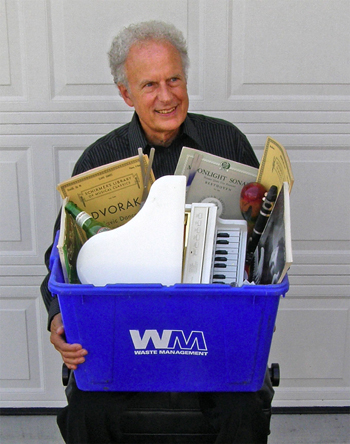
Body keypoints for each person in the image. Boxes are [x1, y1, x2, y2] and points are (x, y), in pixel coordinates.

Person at [41, 20, 274, 444]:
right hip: (128, 335)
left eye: (174, 79)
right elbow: (61, 255)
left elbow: (261, 243)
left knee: (244, 411)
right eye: (149, 85)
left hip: (211, 332)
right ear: (126, 93)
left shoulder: (227, 142)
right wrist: (58, 315)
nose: (166, 96)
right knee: (87, 413)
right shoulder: (99, 159)